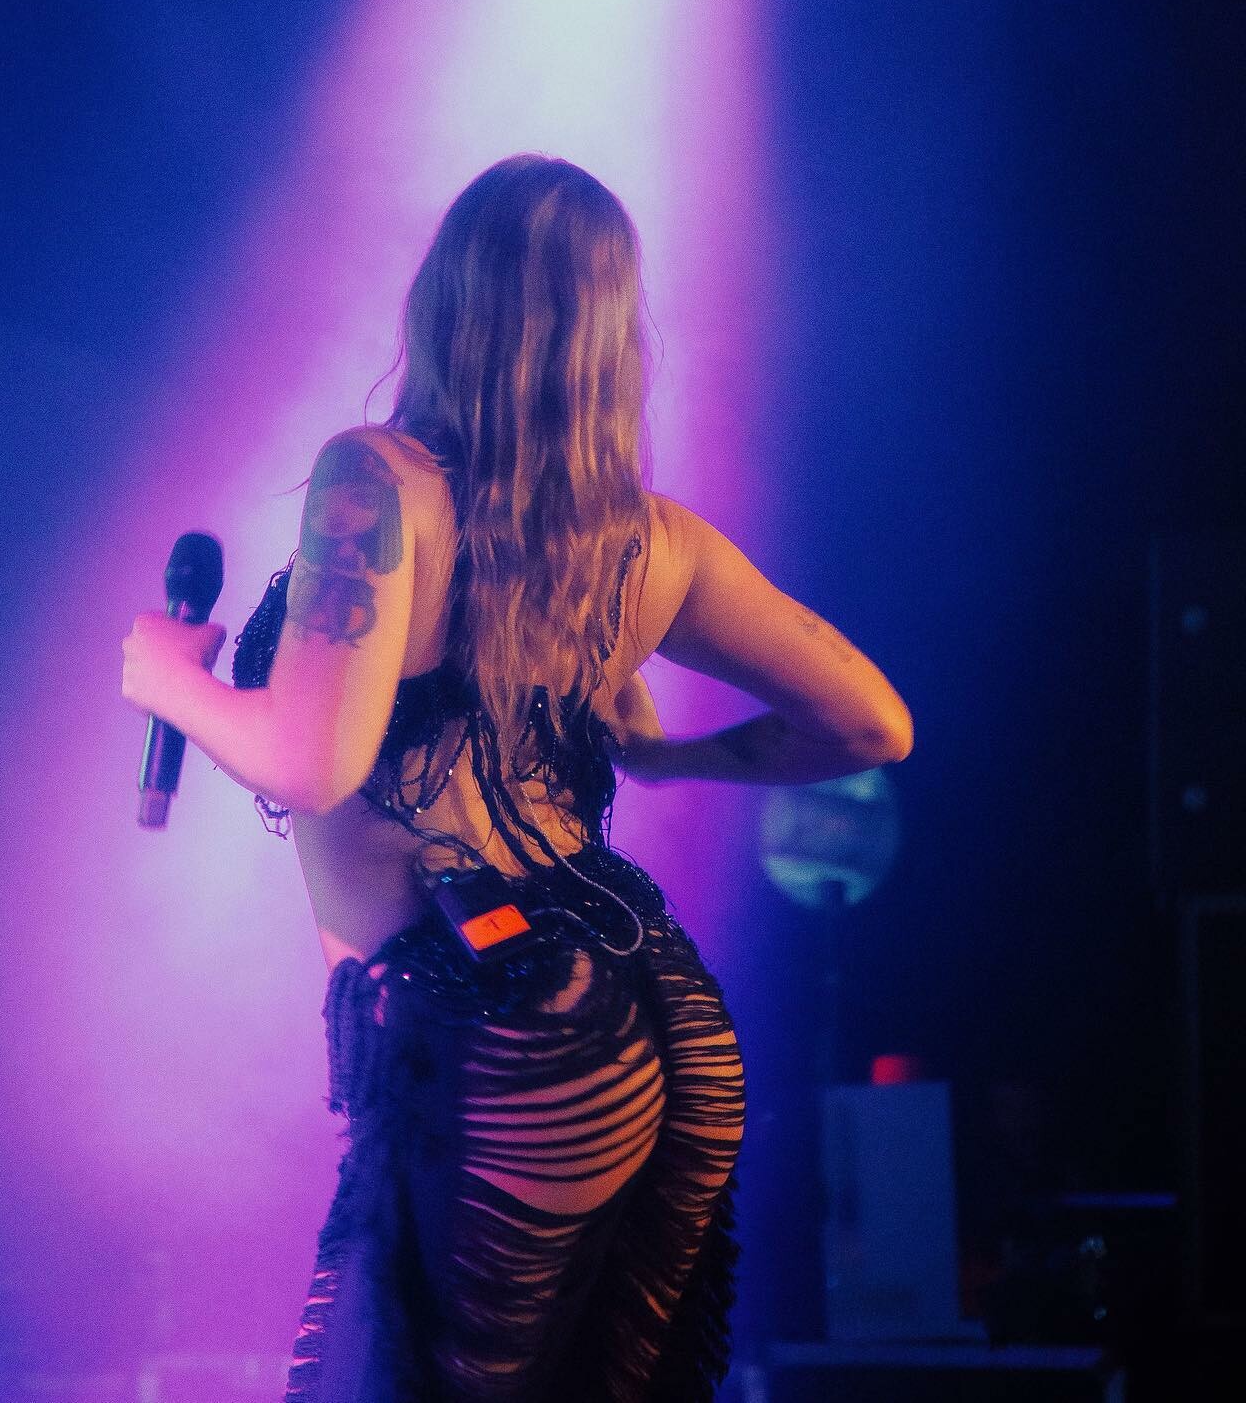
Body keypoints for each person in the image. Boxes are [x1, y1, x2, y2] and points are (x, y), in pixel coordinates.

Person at [120, 153, 914, 1401]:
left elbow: (312, 760)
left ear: (441, 298)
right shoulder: (649, 543)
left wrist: (170, 679)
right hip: (663, 1015)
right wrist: (668, 758)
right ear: (613, 339)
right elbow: (871, 722)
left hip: (496, 1025)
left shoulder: (379, 479)